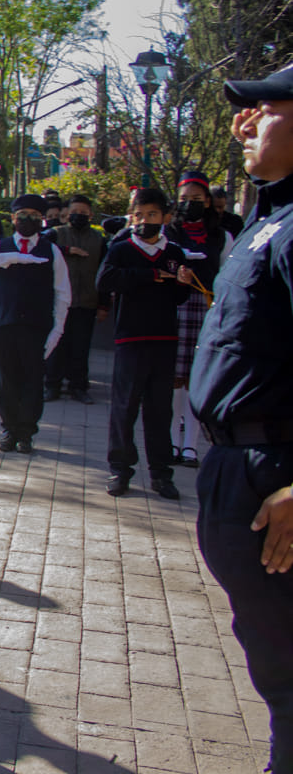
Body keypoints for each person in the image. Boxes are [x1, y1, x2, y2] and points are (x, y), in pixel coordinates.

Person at [191, 63, 293, 774]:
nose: (244, 122)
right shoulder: (274, 217)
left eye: (266, 108)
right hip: (238, 469)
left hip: (276, 479)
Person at [97, 186, 192, 499]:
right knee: (124, 408)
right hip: (130, 339)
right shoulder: (121, 248)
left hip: (164, 340)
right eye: (138, 214)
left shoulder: (174, 253)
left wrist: (182, 283)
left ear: (165, 216)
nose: (144, 220)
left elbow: (178, 296)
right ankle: (120, 470)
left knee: (159, 410)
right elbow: (106, 280)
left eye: (151, 214)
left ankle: (161, 474)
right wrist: (151, 276)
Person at [0, 193, 70, 455]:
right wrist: (12, 258)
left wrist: (58, 328)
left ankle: (26, 432)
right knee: (5, 378)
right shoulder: (0, 246)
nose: (28, 220)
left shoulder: (51, 249)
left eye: (35, 216)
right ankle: (9, 429)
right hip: (5, 323)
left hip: (36, 325)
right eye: (22, 215)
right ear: (13, 219)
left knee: (32, 379)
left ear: (42, 221)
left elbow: (63, 292)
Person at [166, 171, 234, 467]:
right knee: (173, 378)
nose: (190, 204)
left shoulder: (222, 236)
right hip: (173, 306)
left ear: (207, 201)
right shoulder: (168, 232)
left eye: (196, 199)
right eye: (184, 199)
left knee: (197, 377)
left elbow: (228, 275)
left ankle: (191, 444)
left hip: (207, 308)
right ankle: (170, 439)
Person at [43, 194, 106, 405]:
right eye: (74, 212)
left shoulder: (99, 240)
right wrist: (68, 250)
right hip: (59, 302)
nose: (78, 216)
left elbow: (105, 273)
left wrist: (104, 304)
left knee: (80, 347)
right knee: (56, 345)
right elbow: (39, 247)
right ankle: (52, 385)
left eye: (83, 213)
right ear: (67, 213)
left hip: (86, 301)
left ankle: (78, 386)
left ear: (90, 215)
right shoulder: (55, 234)